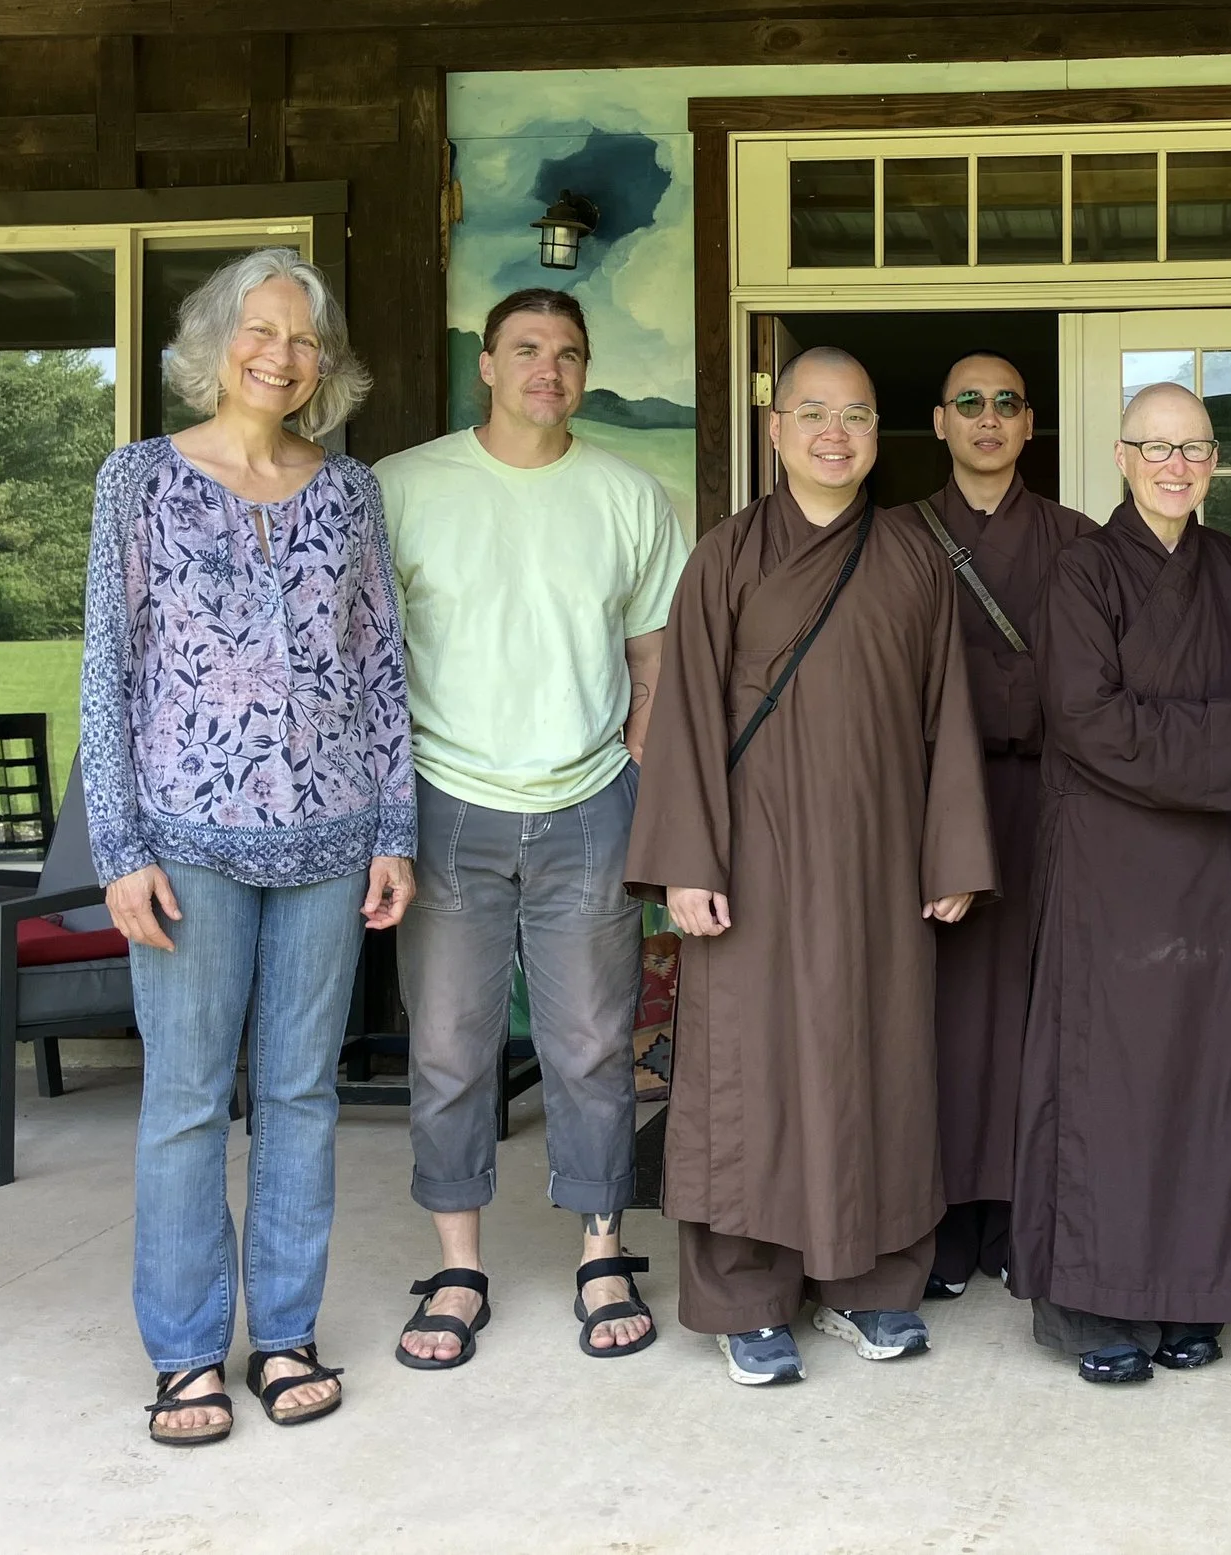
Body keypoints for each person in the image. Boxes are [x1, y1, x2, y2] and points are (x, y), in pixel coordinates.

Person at [80, 246, 414, 1446]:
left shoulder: (350, 492)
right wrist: (118, 845)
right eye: (259, 332)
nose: (280, 356)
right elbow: (106, 676)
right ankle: (183, 1353)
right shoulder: (140, 482)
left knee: (299, 1098)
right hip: (183, 842)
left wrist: (395, 829)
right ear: (216, 343)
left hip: (332, 842)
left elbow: (381, 669)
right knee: (182, 1102)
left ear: (325, 365)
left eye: (304, 340)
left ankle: (285, 1333)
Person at [628, 347, 997, 1386]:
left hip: (881, 860)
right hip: (752, 858)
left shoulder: (916, 558)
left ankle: (871, 1286)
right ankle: (747, 1297)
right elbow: (687, 717)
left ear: (880, 434)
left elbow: (947, 717)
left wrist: (952, 851)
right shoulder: (727, 557)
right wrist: (686, 865)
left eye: (858, 415)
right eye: (814, 413)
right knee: (746, 1071)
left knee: (874, 1062)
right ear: (776, 432)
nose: (835, 433)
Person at [374, 289, 689, 1372]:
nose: (546, 369)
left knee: (594, 1046)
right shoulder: (404, 488)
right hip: (444, 801)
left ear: (585, 371)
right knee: (450, 1047)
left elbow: (653, 668)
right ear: (488, 368)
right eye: (526, 350)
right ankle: (458, 1265)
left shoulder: (629, 495)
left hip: (588, 799)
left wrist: (646, 784)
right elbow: (365, 669)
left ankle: (602, 1249)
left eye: (566, 352)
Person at [1010, 381, 1231, 1386]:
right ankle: (1089, 1303)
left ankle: (1194, 1291)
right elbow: (1086, 720)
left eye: (1195, 449)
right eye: (1157, 447)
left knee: (1207, 1078)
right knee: (1112, 1082)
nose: (1177, 466)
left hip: (1212, 866)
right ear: (1120, 455)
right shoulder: (1083, 571)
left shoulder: (1227, 563)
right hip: (1112, 862)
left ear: (1215, 464)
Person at [914, 351, 1095, 1302]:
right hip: (932, 805)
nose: (989, 418)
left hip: (1049, 802)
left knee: (1039, 1009)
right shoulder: (898, 537)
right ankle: (942, 1216)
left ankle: (1032, 1212)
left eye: (1008, 404)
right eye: (970, 403)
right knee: (941, 1011)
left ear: (1032, 426)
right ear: (939, 422)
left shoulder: (1078, 540)